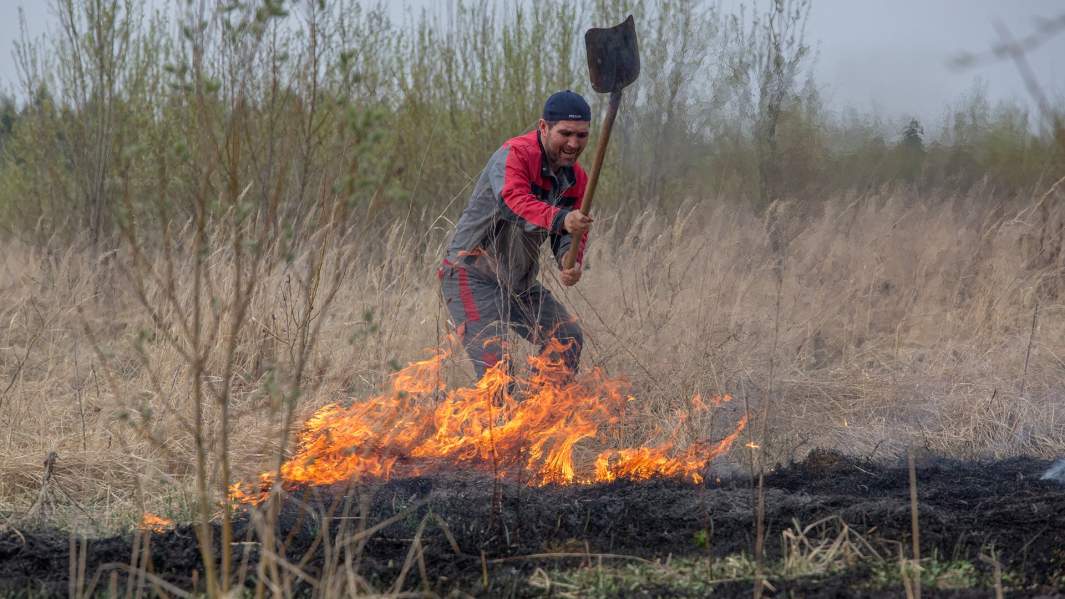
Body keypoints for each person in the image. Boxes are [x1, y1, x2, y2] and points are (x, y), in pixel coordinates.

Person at [439, 90, 594, 381]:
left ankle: (543, 416)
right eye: (566, 133)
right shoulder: (515, 155)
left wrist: (568, 259)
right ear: (543, 127)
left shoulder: (577, 178)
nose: (574, 144)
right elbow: (513, 204)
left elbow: (570, 231)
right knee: (498, 374)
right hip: (471, 276)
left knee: (567, 339)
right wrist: (562, 218)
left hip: (518, 284)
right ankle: (490, 424)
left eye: (582, 135)